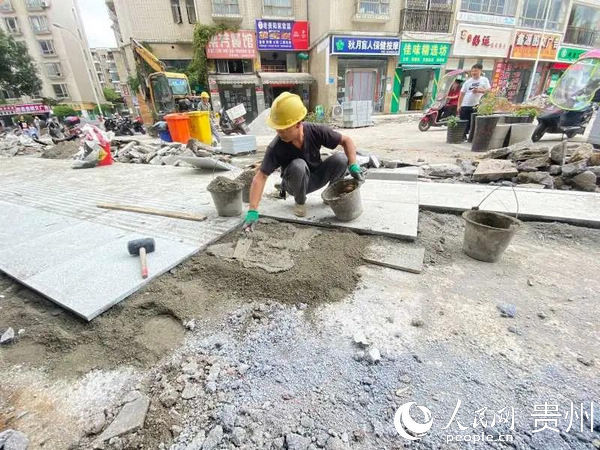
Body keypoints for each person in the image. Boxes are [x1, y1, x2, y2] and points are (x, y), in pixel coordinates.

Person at [242, 92, 364, 232]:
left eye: (283, 129)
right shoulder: (276, 147)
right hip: (294, 185)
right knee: (298, 165)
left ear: (298, 124)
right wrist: (252, 211)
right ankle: (300, 203)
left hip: (315, 177)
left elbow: (346, 141)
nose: (279, 133)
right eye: (277, 129)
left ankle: (330, 195)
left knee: (341, 158)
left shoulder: (315, 131)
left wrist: (353, 165)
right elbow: (260, 177)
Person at [458, 63, 490, 139]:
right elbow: (462, 94)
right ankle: (463, 136)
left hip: (476, 105)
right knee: (463, 121)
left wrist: (479, 91)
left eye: (476, 71)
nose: (473, 73)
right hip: (465, 105)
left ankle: (472, 137)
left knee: (473, 122)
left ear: (480, 71)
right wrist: (459, 105)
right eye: (472, 71)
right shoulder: (467, 82)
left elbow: (489, 91)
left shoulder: (484, 80)